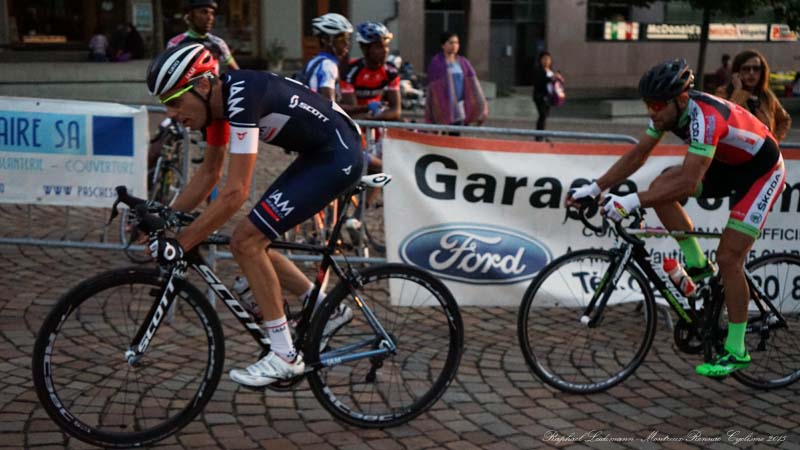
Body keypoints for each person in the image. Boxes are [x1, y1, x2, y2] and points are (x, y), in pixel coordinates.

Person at [146, 43, 362, 386]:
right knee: (250, 240)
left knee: (247, 241)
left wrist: (182, 243)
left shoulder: (242, 96)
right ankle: (326, 309)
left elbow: (235, 193)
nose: (171, 114)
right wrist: (164, 216)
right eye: (165, 104)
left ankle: (284, 356)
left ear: (203, 85)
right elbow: (209, 175)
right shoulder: (216, 107)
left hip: (338, 155)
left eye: (175, 101)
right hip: (319, 154)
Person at [566, 58, 785, 378]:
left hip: (761, 173)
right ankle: (698, 265)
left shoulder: (705, 118)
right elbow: (639, 154)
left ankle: (737, 349)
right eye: (647, 104)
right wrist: (595, 188)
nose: (651, 112)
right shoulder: (669, 112)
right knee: (660, 187)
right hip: (729, 166)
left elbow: (687, 183)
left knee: (729, 258)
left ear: (680, 99)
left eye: (656, 105)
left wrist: (630, 201)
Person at [715, 50, 791, 142]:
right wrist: (738, 91)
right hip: (736, 147)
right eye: (746, 69)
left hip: (763, 148)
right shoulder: (723, 92)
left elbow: (784, 119)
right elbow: (724, 119)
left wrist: (774, 139)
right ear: (737, 72)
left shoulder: (767, 96)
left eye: (756, 69)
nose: (751, 73)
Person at [425, 31, 488, 133]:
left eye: (456, 43)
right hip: (443, 106)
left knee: (455, 134)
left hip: (459, 107)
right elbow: (433, 89)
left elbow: (473, 84)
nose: (454, 45)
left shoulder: (463, 63)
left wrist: (481, 104)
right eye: (451, 43)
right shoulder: (437, 63)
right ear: (443, 45)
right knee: (442, 136)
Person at [167, 0, 240, 71]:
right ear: (189, 16)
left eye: (212, 13)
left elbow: (237, 71)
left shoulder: (218, 43)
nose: (210, 18)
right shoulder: (175, 43)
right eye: (204, 12)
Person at [299, 13, 353, 101]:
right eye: (341, 38)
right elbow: (329, 105)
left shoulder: (314, 61)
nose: (347, 43)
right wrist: (366, 107)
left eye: (348, 38)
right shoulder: (329, 66)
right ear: (326, 40)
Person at [531, 51, 564, 140]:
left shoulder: (551, 71)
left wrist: (559, 79)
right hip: (540, 96)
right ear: (540, 60)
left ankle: (542, 134)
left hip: (548, 97)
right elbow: (540, 81)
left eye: (548, 59)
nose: (546, 61)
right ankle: (539, 136)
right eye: (544, 59)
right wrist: (551, 79)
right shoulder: (538, 70)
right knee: (542, 115)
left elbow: (556, 83)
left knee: (545, 116)